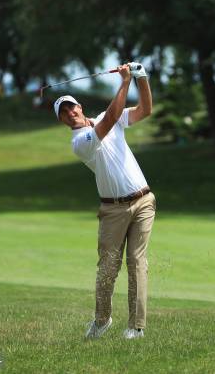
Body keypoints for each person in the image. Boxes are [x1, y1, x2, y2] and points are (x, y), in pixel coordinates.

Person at [54, 62, 154, 340]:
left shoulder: (102, 118)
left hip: (144, 200)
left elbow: (145, 110)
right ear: (62, 121)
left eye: (72, 107)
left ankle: (136, 326)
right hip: (113, 209)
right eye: (63, 112)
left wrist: (140, 76)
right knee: (109, 266)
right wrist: (124, 83)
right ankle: (102, 319)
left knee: (137, 262)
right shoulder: (80, 142)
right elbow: (110, 120)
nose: (70, 113)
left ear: (80, 107)